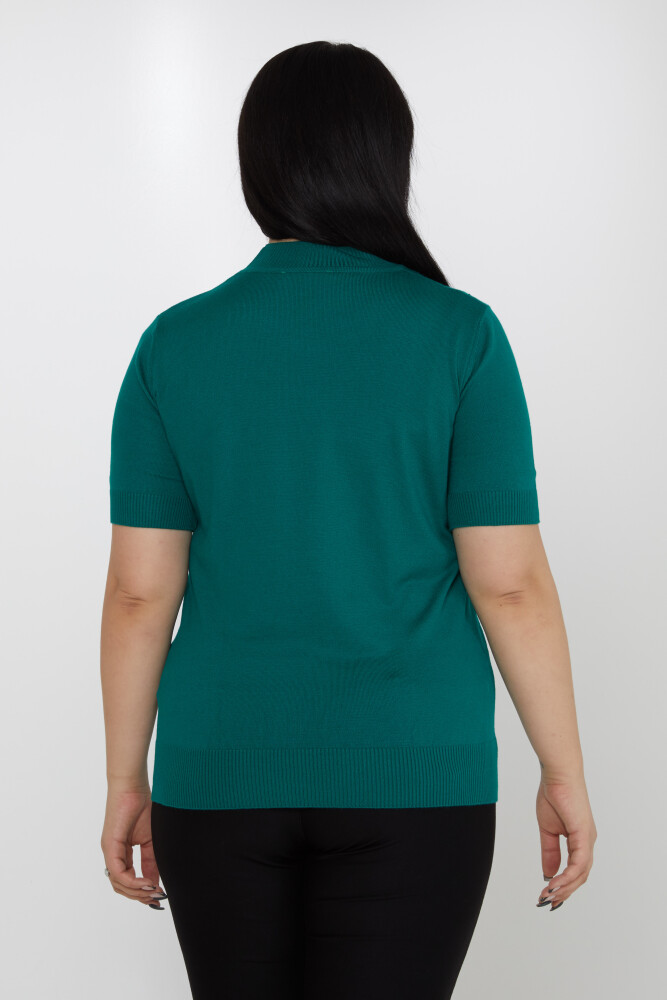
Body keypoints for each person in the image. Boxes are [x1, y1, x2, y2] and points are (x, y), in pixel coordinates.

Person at [100, 39, 597, 1000]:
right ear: (385, 161)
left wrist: (128, 780)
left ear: (257, 166)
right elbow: (507, 583)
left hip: (217, 774)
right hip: (418, 776)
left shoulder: (174, 345)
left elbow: (137, 594)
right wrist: (562, 768)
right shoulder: (460, 334)